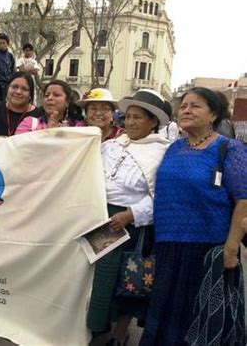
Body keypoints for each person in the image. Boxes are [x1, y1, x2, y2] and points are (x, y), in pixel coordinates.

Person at [140, 87, 247, 345]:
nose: (186, 110)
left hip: (209, 251)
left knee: (200, 321)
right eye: (184, 105)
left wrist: (231, 249)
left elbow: (244, 201)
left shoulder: (229, 149)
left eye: (195, 106)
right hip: (169, 247)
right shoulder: (173, 148)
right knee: (167, 316)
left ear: (213, 115)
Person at [87, 89, 170, 345]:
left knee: (127, 278)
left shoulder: (162, 153)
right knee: (99, 275)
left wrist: (131, 214)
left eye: (138, 117)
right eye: (128, 116)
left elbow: (162, 196)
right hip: (102, 217)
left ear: (152, 122)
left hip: (128, 223)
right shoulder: (111, 145)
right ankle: (97, 328)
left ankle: (120, 332)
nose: (130, 122)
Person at [15, 80, 85, 133]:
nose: (50, 98)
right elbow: (18, 148)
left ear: (67, 101)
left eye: (56, 95)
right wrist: (48, 133)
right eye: (46, 95)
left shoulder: (79, 127)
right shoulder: (29, 123)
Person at [0, 71, 42, 136]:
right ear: (7, 88)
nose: (18, 92)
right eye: (14, 87)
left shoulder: (39, 116)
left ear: (30, 94)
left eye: (24, 89)